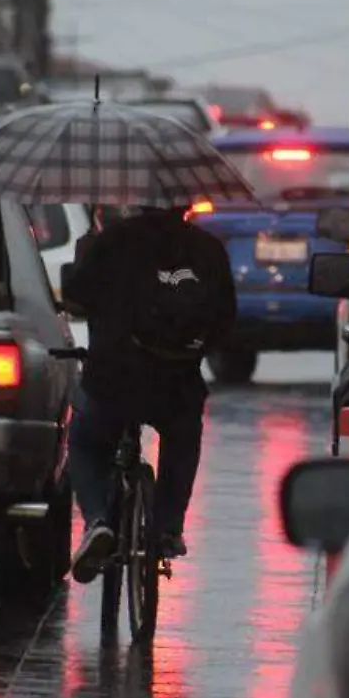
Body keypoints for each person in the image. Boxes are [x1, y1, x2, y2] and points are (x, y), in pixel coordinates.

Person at [61, 202, 236, 584]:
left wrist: (89, 253)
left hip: (113, 378)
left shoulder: (113, 242)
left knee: (86, 443)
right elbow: (227, 319)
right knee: (183, 442)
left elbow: (75, 296)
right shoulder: (208, 248)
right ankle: (169, 527)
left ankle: (97, 522)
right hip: (177, 381)